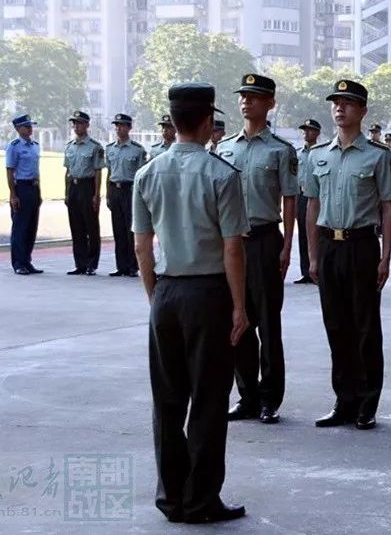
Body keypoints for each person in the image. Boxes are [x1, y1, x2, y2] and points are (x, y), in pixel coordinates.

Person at [133, 82, 249, 524]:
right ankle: (201, 498)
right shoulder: (221, 174)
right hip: (208, 294)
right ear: (206, 123)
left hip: (166, 291)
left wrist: (155, 296)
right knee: (207, 399)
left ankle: (171, 497)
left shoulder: (148, 173)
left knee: (167, 399)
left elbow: (143, 247)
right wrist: (239, 306)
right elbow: (233, 248)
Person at [303, 79, 391, 431]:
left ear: (362, 110)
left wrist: (385, 256)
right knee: (336, 325)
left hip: (361, 246)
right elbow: (312, 206)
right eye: (335, 103)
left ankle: (366, 403)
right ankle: (343, 401)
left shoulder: (377, 155)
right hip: (329, 245)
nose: (339, 108)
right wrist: (312, 256)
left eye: (348, 103)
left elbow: (389, 207)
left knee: (365, 327)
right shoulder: (318, 156)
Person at [218, 73, 300, 426]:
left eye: (255, 96)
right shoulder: (224, 149)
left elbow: (290, 199)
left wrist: (287, 248)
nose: (246, 101)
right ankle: (247, 396)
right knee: (238, 322)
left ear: (270, 103)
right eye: (243, 96)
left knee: (268, 324)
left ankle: (269, 399)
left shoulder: (281, 150)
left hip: (266, 240)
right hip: (232, 244)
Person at [105, 113, 147, 277]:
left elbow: (141, 174)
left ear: (129, 128)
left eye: (122, 125)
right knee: (118, 229)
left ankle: (131, 266)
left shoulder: (137, 150)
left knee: (131, 229)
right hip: (115, 189)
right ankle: (120, 265)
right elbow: (109, 172)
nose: (118, 128)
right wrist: (107, 194)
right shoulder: (110, 149)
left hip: (130, 190)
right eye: (116, 125)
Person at [64, 110, 104, 275]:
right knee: (76, 226)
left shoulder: (95, 147)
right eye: (74, 123)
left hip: (88, 187)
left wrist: (96, 194)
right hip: (73, 186)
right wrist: (66, 193)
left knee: (91, 227)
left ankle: (91, 263)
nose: (76, 126)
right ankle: (79, 263)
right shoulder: (69, 146)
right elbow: (67, 171)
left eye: (79, 123)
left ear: (87, 125)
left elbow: (98, 171)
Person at [5, 114, 43, 275]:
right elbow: (9, 171)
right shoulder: (14, 146)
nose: (30, 129)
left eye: (30, 126)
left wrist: (39, 191)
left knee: (31, 227)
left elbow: (36, 171)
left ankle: (27, 261)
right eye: (26, 126)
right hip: (20, 188)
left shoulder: (35, 146)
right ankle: (18, 263)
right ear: (18, 129)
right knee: (20, 227)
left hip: (33, 187)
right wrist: (13, 195)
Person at [294, 119, 325, 284]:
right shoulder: (298, 153)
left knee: (317, 233)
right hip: (302, 195)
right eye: (305, 130)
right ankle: (306, 271)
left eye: (310, 130)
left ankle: (318, 268)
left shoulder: (322, 152)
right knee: (303, 233)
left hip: (318, 197)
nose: (307, 133)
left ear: (318, 133)